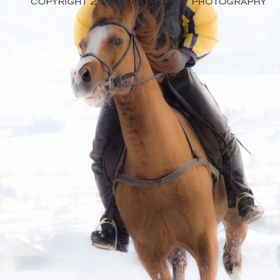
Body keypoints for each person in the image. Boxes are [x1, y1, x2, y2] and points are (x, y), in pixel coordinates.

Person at [74, 0, 263, 252]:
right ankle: (113, 220)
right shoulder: (104, 3)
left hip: (174, 76)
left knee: (221, 131)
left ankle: (241, 195)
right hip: (126, 85)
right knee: (100, 153)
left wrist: (184, 55)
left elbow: (206, 29)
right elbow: (86, 35)